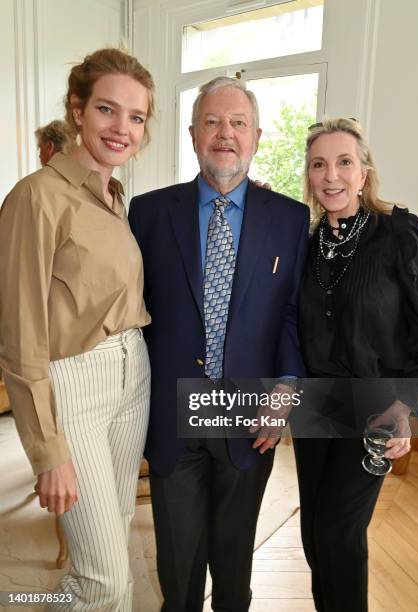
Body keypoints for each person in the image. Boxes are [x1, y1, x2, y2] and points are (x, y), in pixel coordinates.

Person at [128, 76, 309, 612]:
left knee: (234, 570)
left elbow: (293, 315)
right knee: (178, 570)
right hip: (172, 414)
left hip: (247, 415)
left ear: (255, 136)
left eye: (237, 124)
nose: (224, 134)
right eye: (212, 122)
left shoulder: (291, 219)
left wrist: (287, 389)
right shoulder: (149, 213)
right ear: (192, 134)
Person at [0, 48, 155, 610]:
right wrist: (46, 450)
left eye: (136, 117)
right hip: (76, 387)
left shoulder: (114, 197)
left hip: (131, 373)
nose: (122, 128)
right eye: (108, 110)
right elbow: (19, 337)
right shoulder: (36, 197)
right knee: (105, 582)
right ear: (77, 110)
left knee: (108, 541)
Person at [294, 117, 418, 612]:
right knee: (314, 538)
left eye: (344, 162)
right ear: (309, 177)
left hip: (375, 405)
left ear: (365, 172)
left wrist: (404, 407)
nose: (332, 175)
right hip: (315, 408)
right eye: (319, 165)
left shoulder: (398, 231)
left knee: (338, 532)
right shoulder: (306, 243)